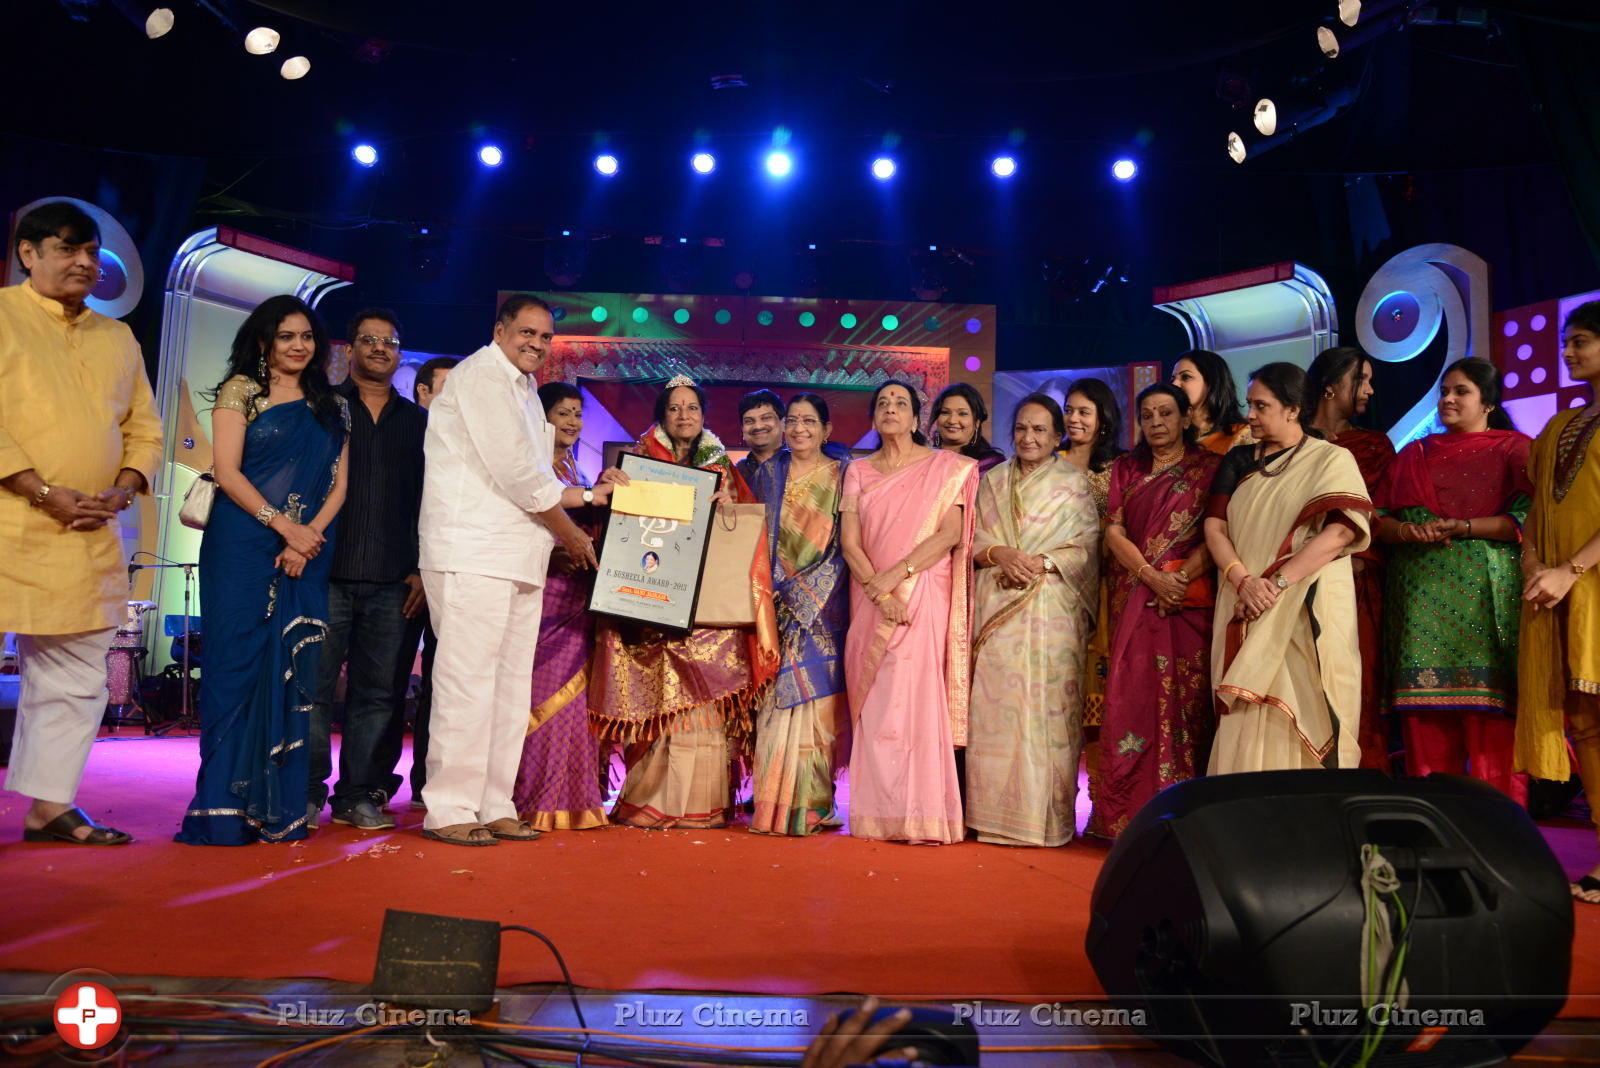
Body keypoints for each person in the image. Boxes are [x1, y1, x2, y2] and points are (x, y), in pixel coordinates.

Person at [1, 201, 162, 845]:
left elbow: (144, 427)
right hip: (10, 520)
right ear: (27, 254)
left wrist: (123, 489)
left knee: (75, 674)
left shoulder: (116, 336)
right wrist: (40, 490)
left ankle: (47, 808)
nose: (85, 262)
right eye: (67, 248)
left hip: (88, 530)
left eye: (92, 251)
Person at [417, 293, 597, 846]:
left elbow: (536, 477)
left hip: (519, 554)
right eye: (526, 333)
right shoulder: (479, 378)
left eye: (544, 338)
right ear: (499, 330)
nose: (536, 345)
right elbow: (519, 474)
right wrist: (570, 530)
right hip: (472, 549)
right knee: (466, 683)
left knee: (509, 687)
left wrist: (588, 495)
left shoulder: (523, 391)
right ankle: (449, 807)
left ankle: (494, 802)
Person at [177, 295, 350, 845]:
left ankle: (278, 809)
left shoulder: (332, 406)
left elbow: (339, 485)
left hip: (307, 551)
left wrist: (306, 538)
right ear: (263, 342)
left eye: (306, 337)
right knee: (234, 668)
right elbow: (227, 472)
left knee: (294, 673)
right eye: (286, 337)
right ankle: (223, 810)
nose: (299, 346)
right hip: (241, 544)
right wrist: (284, 526)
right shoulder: (240, 392)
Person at [589, 375, 778, 828]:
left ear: (704, 416)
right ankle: (650, 801)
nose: (684, 415)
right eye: (675, 408)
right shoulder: (637, 462)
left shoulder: (721, 466)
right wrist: (610, 483)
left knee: (705, 705)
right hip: (653, 605)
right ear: (661, 415)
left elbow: (745, 529)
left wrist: (727, 501)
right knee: (656, 701)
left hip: (708, 606)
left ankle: (702, 805)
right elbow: (611, 524)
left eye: (692, 408)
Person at [1375, 358, 1530, 803]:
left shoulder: (1515, 450)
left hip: (1487, 603)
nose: (1447, 399)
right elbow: (1378, 520)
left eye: (1461, 391)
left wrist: (1464, 527)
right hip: (1421, 612)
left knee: (1493, 731)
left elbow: (1530, 520)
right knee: (1426, 733)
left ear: (1489, 402)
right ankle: (1437, 837)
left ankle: (1502, 839)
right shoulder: (1414, 455)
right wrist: (1408, 531)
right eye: (1445, 390)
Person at [1204, 362, 1371, 773]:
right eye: (1250, 405)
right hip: (1243, 601)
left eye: (1261, 406)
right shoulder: (1239, 460)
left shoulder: (1331, 459)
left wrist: (1273, 586)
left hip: (1304, 605)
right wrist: (1243, 581)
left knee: (1307, 698)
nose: (1250, 415)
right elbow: (1215, 526)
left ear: (1293, 409)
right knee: (1245, 707)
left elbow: (1340, 534)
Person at [306, 309, 428, 832]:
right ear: (349, 349)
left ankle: (360, 795)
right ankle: (304, 792)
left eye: (390, 341)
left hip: (396, 581)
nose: (379, 348)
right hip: (323, 572)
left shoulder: (422, 424)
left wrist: (426, 568)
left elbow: (435, 502)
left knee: (379, 695)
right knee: (310, 689)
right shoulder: (321, 410)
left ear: (399, 353)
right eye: (369, 340)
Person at [840, 379, 976, 844]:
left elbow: (950, 533)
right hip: (872, 596)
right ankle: (878, 814)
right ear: (873, 417)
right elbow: (850, 543)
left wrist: (897, 575)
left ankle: (922, 815)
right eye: (883, 403)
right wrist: (880, 594)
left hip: (922, 589)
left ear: (919, 418)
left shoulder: (947, 468)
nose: (891, 409)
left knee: (914, 695)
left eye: (901, 403)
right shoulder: (858, 470)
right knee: (878, 700)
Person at [1090, 383, 1221, 838]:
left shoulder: (1211, 468)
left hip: (1189, 602)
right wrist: (1151, 575)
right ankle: (1125, 818)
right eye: (1147, 415)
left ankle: (1186, 819)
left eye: (1166, 413)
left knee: (1190, 703)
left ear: (1186, 418)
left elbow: (1220, 531)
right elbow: (1113, 532)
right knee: (1133, 701)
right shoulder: (1127, 468)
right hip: (1137, 596)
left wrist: (1178, 579)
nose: (1157, 423)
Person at [967, 394, 1098, 846]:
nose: (1028, 437)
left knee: (1047, 712)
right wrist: (1000, 554)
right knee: (994, 710)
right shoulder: (993, 480)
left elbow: (1085, 546)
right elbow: (974, 537)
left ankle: (1044, 820)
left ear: (1058, 436)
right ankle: (992, 817)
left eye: (1040, 430)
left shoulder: (1073, 484)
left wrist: (1039, 563)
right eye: (1021, 428)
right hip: (997, 608)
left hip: (1051, 613)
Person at [1517, 300, 1600, 905]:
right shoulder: (1556, 427)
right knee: (1583, 720)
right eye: (1567, 343)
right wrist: (1534, 565)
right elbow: (1537, 511)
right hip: (1557, 584)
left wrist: (1572, 570)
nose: (1568, 353)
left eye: (1581, 343)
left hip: (1587, 581)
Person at [511, 382, 616, 830]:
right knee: (533, 695)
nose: (572, 422)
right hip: (540, 595)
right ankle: (529, 798)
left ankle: (571, 800)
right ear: (540, 418)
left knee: (575, 700)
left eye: (577, 414)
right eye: (563, 413)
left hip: (578, 596)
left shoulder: (574, 467)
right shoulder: (529, 467)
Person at [747, 393, 852, 834]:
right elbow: (751, 533)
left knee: (819, 705)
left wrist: (806, 593)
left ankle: (814, 801)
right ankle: (773, 801)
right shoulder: (767, 474)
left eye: (810, 421)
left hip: (823, 606)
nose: (799, 429)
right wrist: (771, 591)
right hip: (772, 604)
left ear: (827, 429)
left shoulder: (846, 474)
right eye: (792, 421)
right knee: (774, 703)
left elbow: (850, 541)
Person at [1309, 346, 1395, 769]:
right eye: (1362, 379)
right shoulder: (1292, 442)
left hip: (1355, 581)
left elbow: (1381, 514)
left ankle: (1359, 781)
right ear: (1330, 386)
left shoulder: (1375, 446)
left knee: (1353, 683)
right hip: (1291, 579)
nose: (1370, 390)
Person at [387, 354, 459, 811]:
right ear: (424, 393)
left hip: (451, 579)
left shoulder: (465, 446)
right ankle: (371, 783)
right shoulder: (404, 439)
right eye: (446, 390)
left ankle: (427, 784)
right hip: (399, 580)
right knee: (386, 685)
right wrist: (415, 570)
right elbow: (397, 514)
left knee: (445, 684)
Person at [1058, 378, 1122, 817]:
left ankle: (1101, 805)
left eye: (1084, 411)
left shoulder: (1118, 470)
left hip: (1104, 596)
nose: (1074, 419)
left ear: (1102, 418)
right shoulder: (1047, 462)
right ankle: (1056, 802)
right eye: (1070, 410)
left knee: (1099, 705)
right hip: (1053, 593)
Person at [1172, 349, 1254, 454]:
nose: (1174, 384)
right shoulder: (1172, 438)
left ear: (1212, 383)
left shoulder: (1243, 437)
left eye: (1186, 377)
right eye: (1172, 379)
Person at [932, 383, 1005, 475]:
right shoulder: (924, 458)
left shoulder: (990, 463)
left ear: (977, 422)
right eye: (945, 412)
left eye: (962, 414)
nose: (952, 420)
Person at [736, 388, 785, 485]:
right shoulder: (734, 475)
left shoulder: (804, 467)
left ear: (783, 423)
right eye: (749, 421)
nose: (758, 426)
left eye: (766, 418)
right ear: (742, 429)